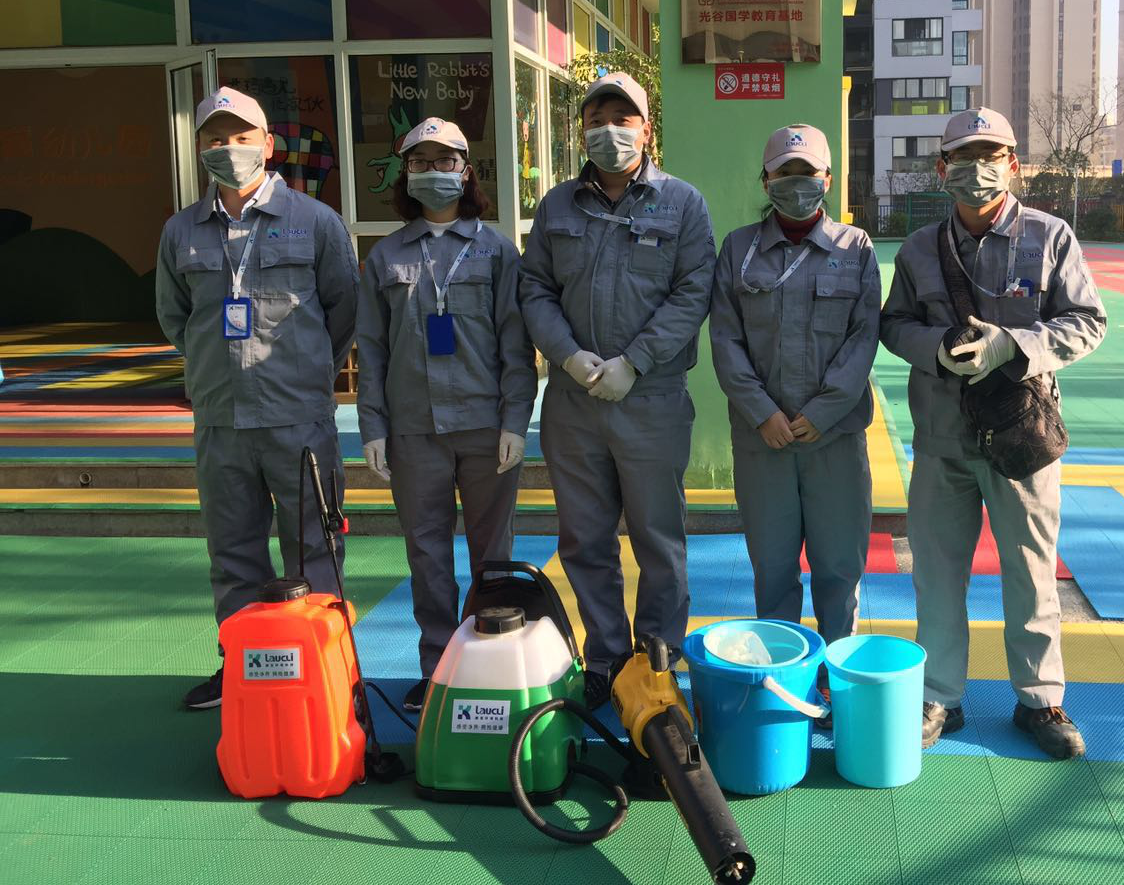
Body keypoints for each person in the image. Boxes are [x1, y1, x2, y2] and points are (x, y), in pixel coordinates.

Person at [878, 107, 1106, 758]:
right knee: (937, 574)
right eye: (963, 157)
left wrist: (1013, 345)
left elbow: (1087, 321)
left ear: (1013, 164)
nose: (977, 168)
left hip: (1020, 441)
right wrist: (934, 349)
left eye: (991, 155)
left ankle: (1040, 699)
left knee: (1031, 572)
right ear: (941, 168)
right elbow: (894, 324)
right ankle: (939, 696)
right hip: (942, 439)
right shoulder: (920, 249)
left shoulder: (1050, 236)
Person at [156, 87, 359, 710]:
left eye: (242, 137)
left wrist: (305, 376)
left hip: (298, 420)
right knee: (233, 549)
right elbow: (176, 318)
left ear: (268, 145)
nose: (229, 148)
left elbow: (343, 313)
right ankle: (242, 665)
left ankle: (329, 672)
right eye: (215, 138)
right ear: (199, 148)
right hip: (221, 420)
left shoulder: (315, 221)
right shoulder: (180, 231)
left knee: (314, 549)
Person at [518, 72, 715, 708]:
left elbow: (694, 291)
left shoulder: (682, 204)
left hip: (651, 399)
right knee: (584, 540)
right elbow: (535, 288)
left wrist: (635, 361)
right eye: (596, 119)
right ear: (581, 131)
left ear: (646, 129)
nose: (609, 131)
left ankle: (657, 657)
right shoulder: (557, 207)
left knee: (658, 538)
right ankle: (604, 657)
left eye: (622, 119)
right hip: (573, 403)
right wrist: (568, 357)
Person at [356, 117, 537, 710]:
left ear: (466, 171)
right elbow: (371, 348)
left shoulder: (497, 250)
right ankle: (437, 667)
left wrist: (516, 421)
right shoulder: (385, 256)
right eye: (421, 162)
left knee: (494, 556)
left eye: (444, 161)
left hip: (486, 428)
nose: (433, 172)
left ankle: (489, 660)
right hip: (414, 432)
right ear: (406, 174)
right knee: (427, 555)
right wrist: (373, 426)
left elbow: (515, 345)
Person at [709, 124, 880, 651]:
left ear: (827, 179)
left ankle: (834, 674)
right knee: (773, 569)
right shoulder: (738, 249)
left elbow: (864, 337)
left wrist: (825, 411)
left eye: (807, 171)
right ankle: (785, 671)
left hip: (835, 440)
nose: (796, 181)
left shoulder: (855, 248)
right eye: (785, 172)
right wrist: (762, 412)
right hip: (764, 441)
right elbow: (725, 338)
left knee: (839, 568)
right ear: (766, 180)